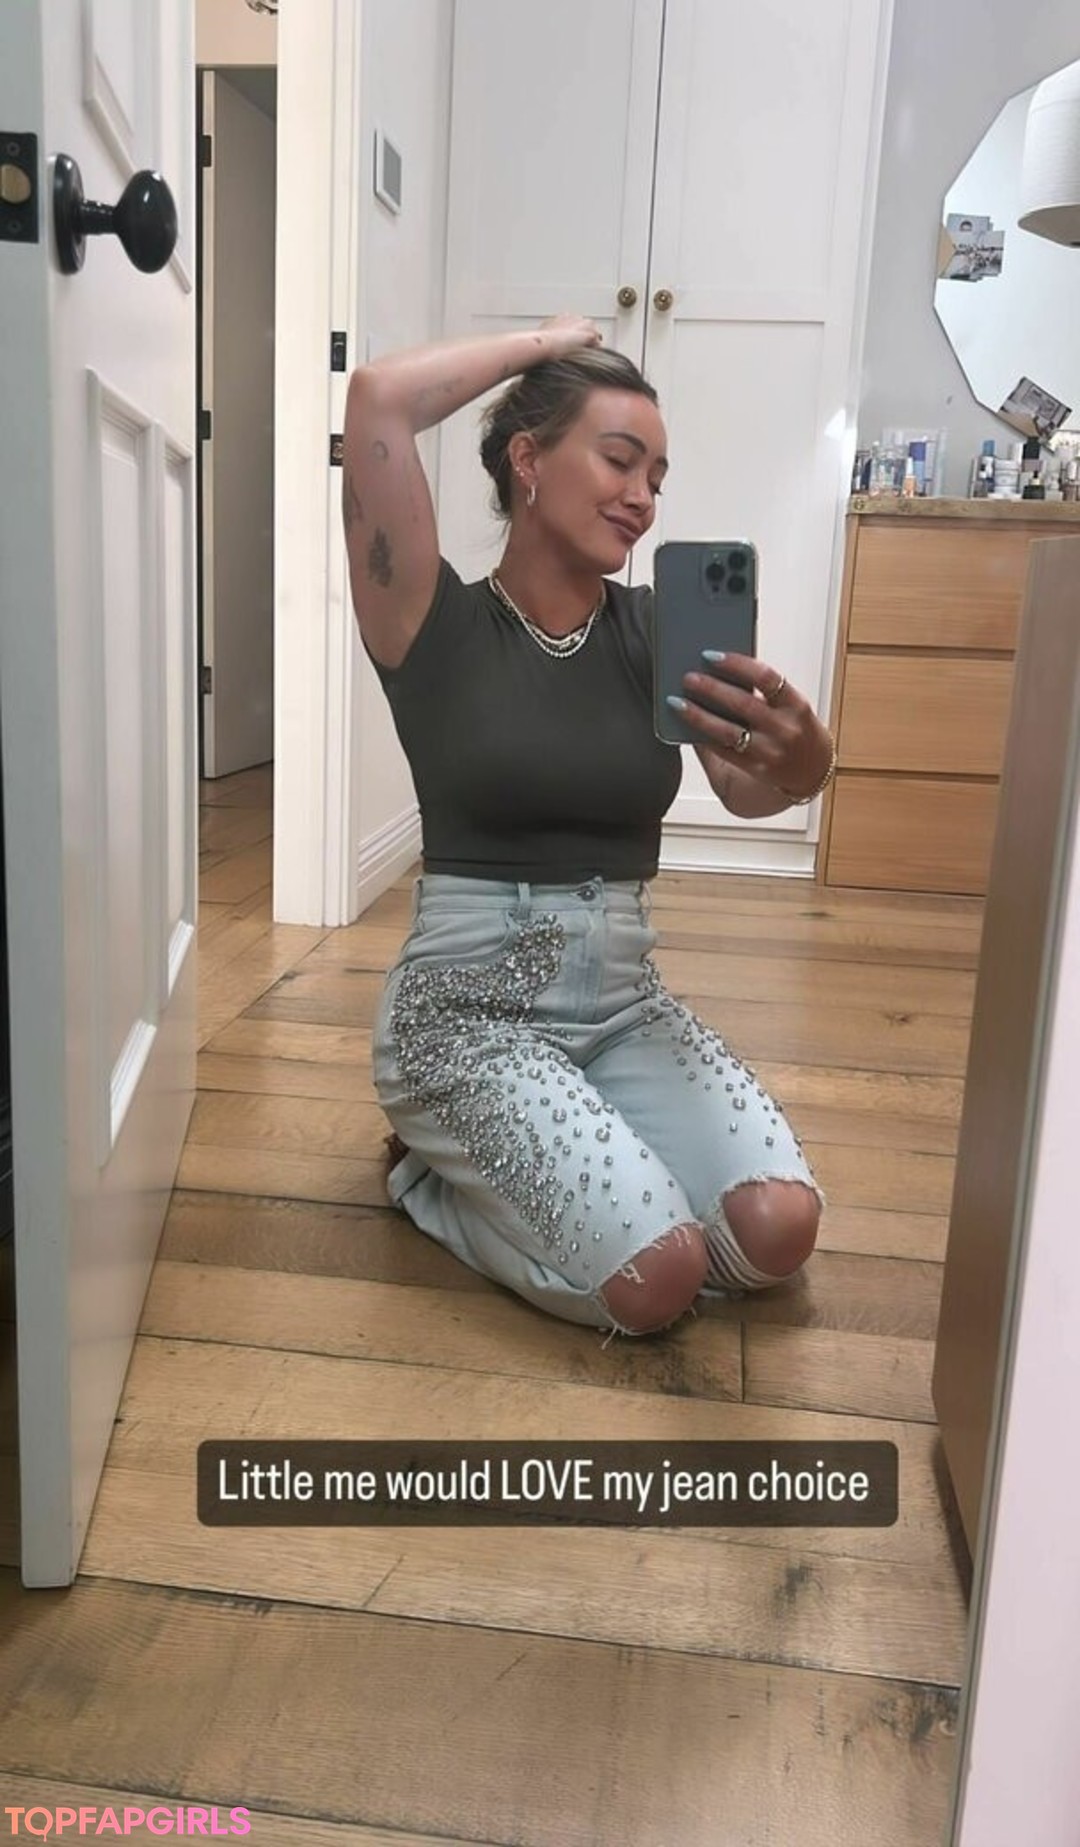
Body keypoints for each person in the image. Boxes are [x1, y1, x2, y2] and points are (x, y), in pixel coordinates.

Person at [341, 316, 835, 1340]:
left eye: (658, 474)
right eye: (619, 458)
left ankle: (569, 1170)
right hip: (465, 1019)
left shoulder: (655, 629)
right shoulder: (428, 617)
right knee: (660, 1278)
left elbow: (743, 788)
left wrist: (803, 765)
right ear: (528, 460)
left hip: (623, 1011)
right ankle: (431, 1178)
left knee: (777, 1229)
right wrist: (554, 343)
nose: (644, 495)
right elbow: (379, 397)